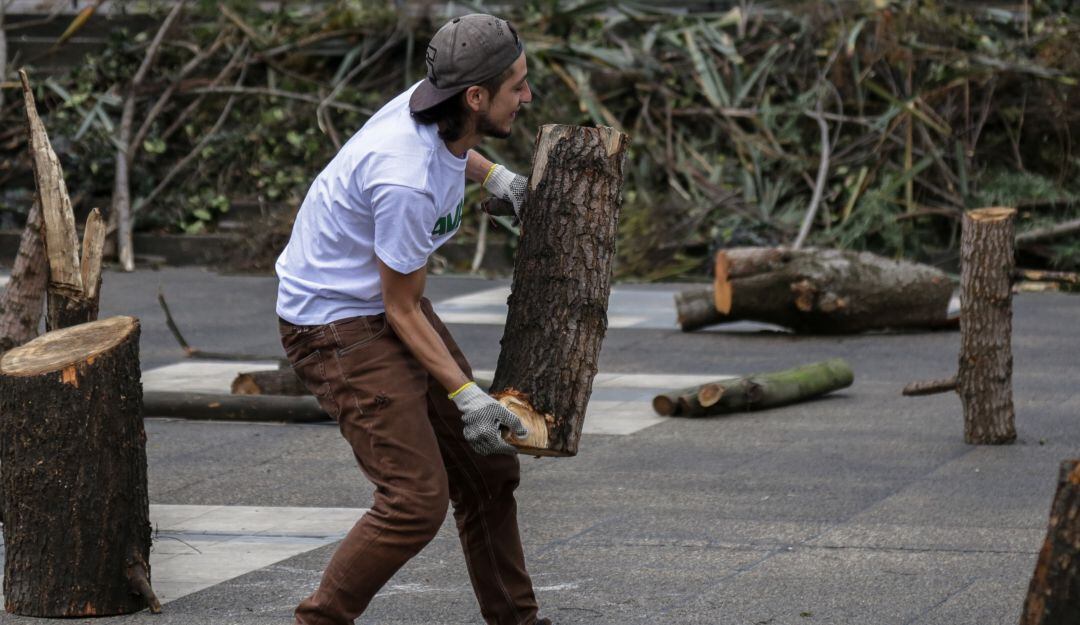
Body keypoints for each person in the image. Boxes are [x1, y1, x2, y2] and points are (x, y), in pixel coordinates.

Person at [274, 13, 552, 625]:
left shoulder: (436, 103)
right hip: (335, 328)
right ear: (476, 97)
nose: (528, 96)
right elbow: (401, 308)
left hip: (378, 305)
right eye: (518, 86)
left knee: (488, 471)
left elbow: (454, 150)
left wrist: (494, 176)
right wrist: (465, 395)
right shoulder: (406, 181)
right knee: (413, 501)